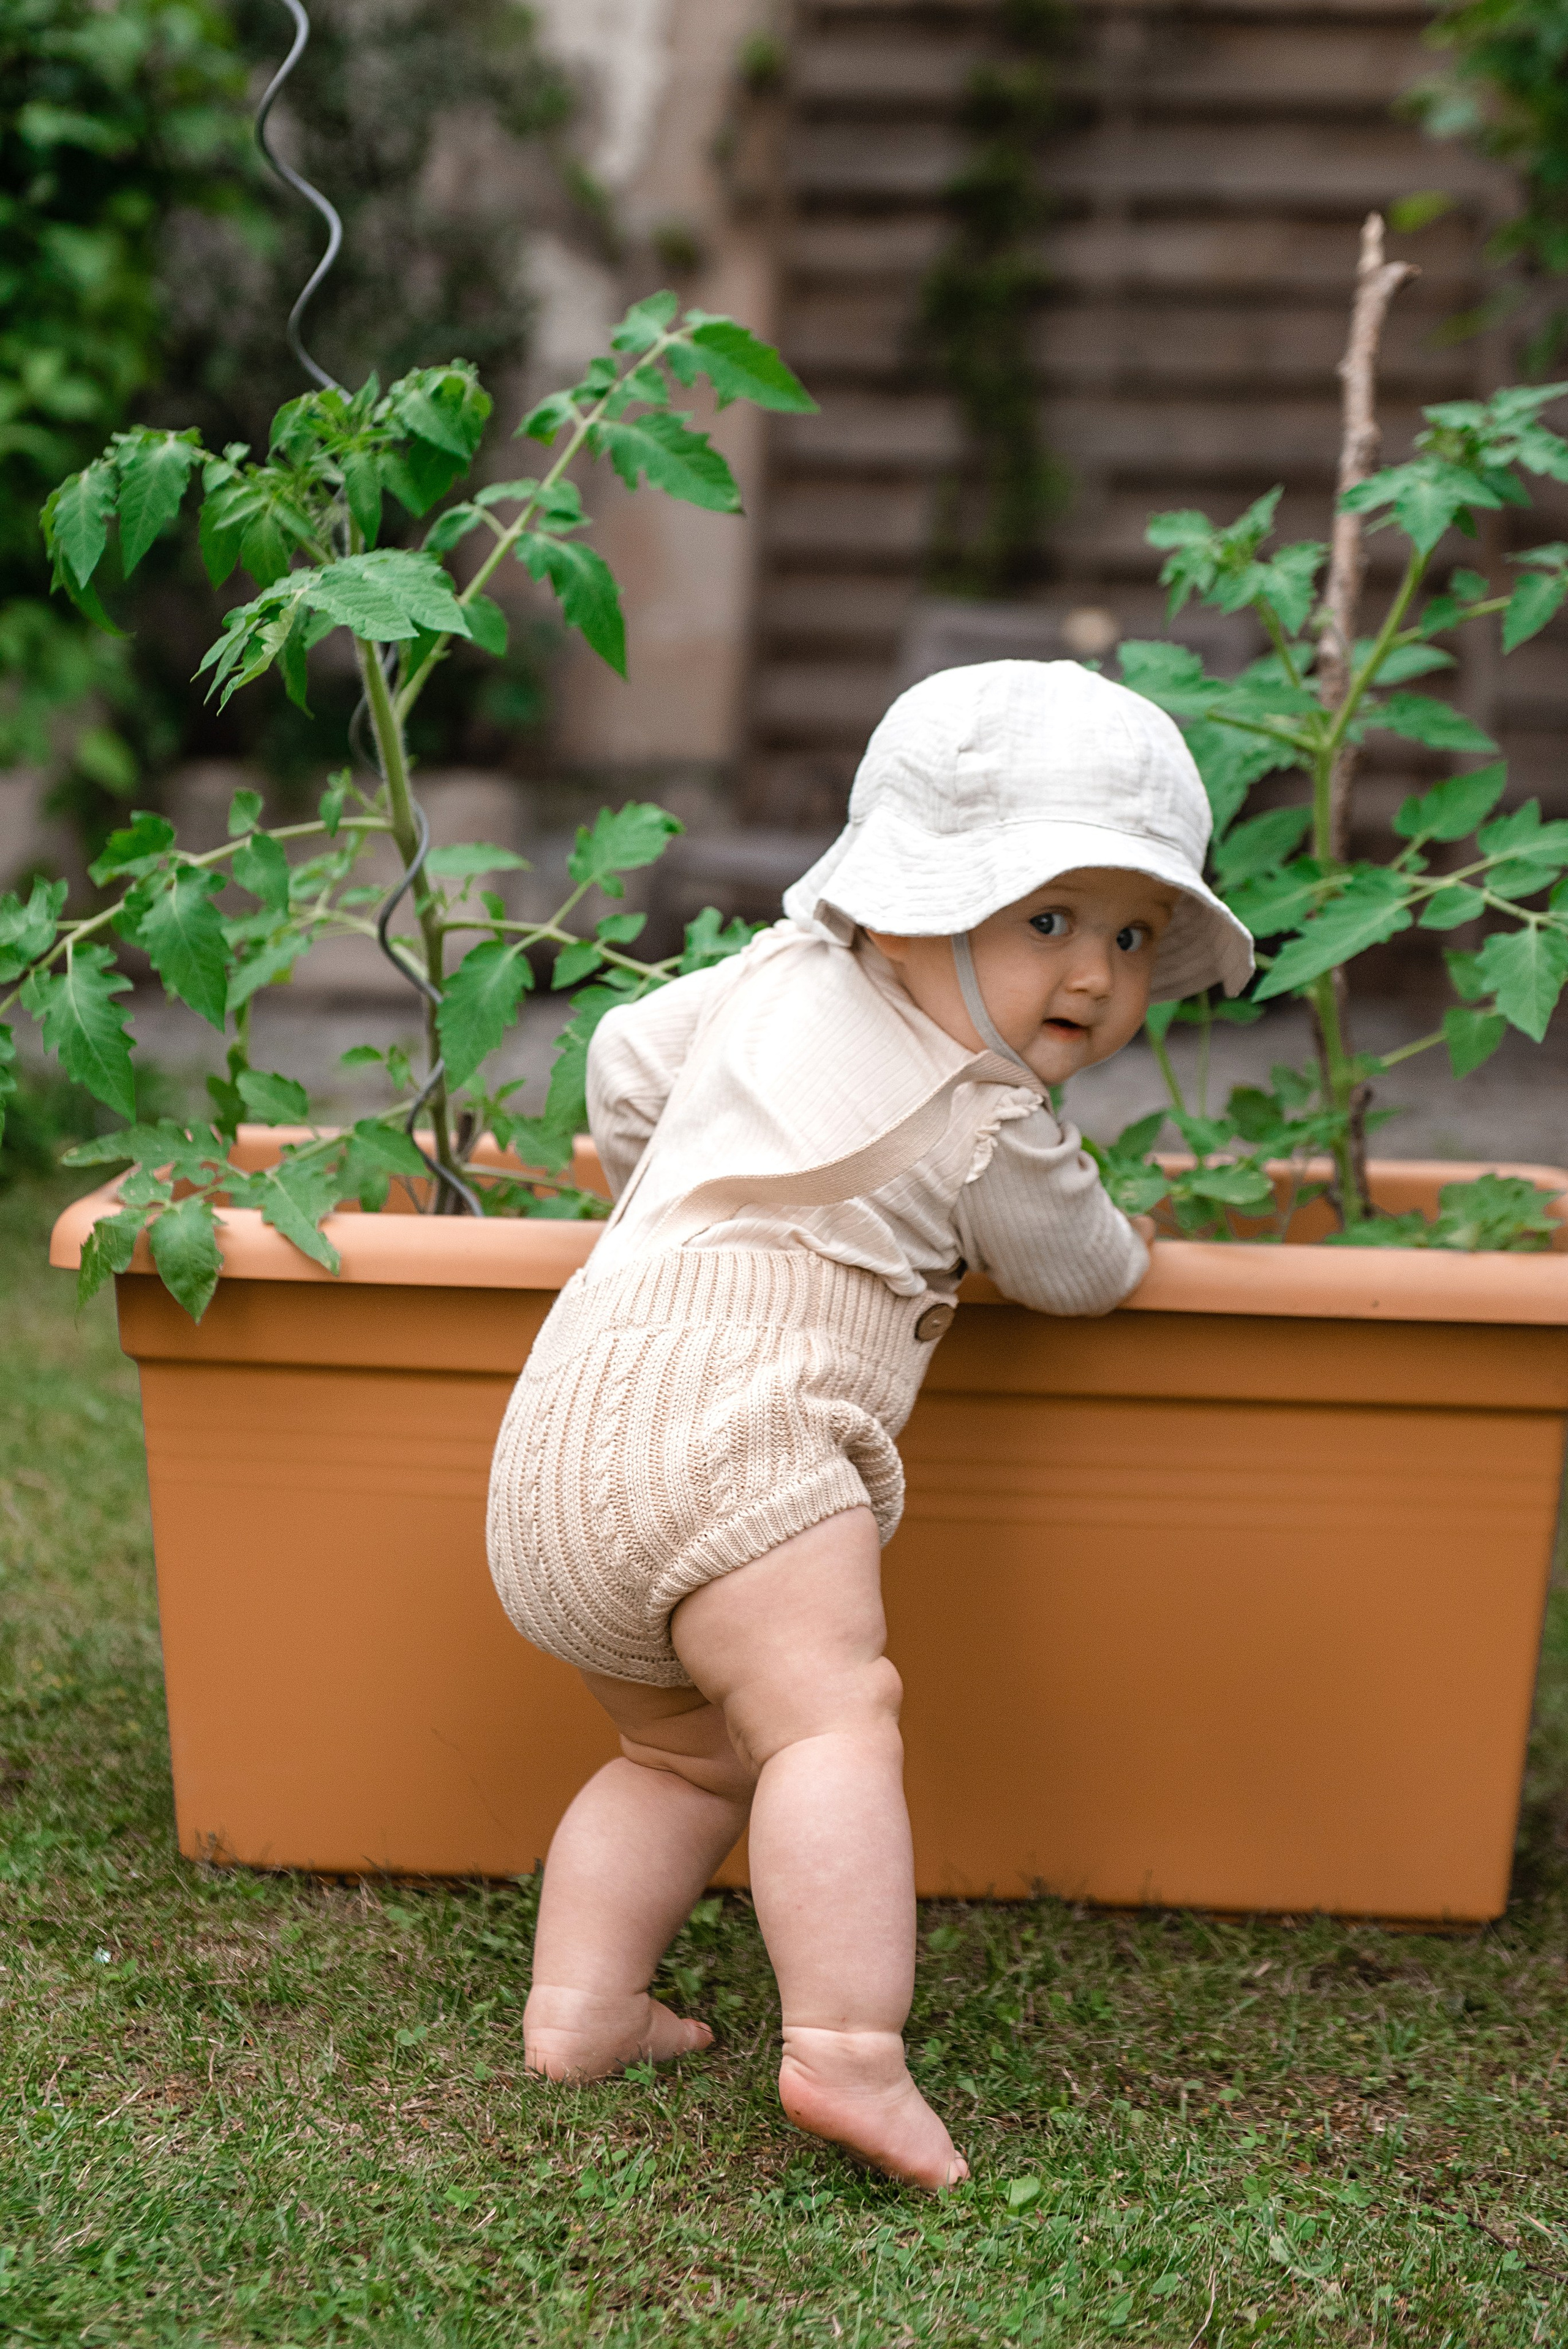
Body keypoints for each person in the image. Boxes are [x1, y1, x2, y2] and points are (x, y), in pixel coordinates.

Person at [486, 659, 1253, 2188]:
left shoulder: (764, 982)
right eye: (1046, 921)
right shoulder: (989, 1112)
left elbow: (622, 1062)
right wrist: (1132, 1239)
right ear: (906, 904)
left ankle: (583, 2009)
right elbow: (1079, 1273)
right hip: (741, 1442)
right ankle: (843, 2050)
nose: (1094, 979)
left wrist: (686, 1170)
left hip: (557, 1443)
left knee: (680, 1762)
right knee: (832, 1719)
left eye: (1128, 933)